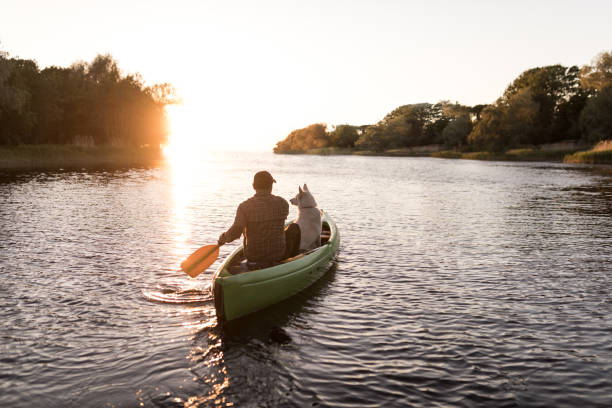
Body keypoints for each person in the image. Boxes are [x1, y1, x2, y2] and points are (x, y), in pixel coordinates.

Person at [218, 170, 300, 270]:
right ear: (271, 186)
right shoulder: (282, 203)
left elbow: (236, 232)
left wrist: (224, 238)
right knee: (294, 228)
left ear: (253, 186)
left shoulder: (244, 207)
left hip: (253, 256)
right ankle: (293, 265)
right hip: (278, 254)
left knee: (246, 228)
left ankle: (255, 264)